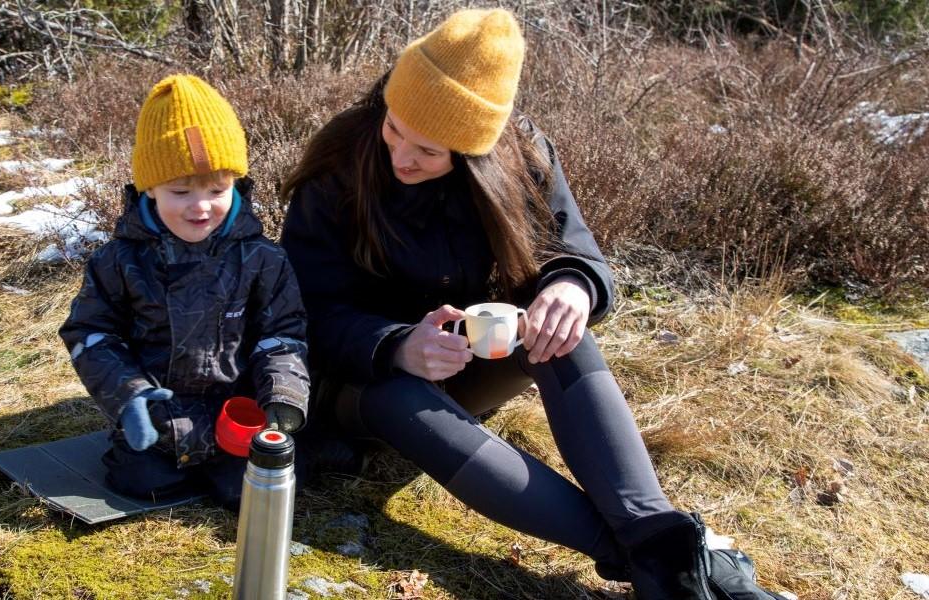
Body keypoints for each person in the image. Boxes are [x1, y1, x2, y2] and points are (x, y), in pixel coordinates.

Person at [279, 9, 783, 599]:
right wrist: (395, 345)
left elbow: (576, 254)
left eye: (430, 151)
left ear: (473, 150)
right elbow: (304, 311)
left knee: (563, 335)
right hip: (361, 384)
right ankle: (660, 560)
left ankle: (656, 541)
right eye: (395, 129)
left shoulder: (521, 155)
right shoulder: (342, 162)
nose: (402, 157)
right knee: (401, 398)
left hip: (465, 363)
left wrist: (571, 287)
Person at [59, 74, 310, 508]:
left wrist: (282, 398)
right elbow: (91, 335)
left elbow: (283, 336)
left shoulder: (264, 259)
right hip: (159, 416)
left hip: (238, 414)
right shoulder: (118, 261)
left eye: (218, 189)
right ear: (148, 189)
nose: (201, 206)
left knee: (247, 489)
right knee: (137, 481)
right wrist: (129, 396)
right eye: (180, 191)